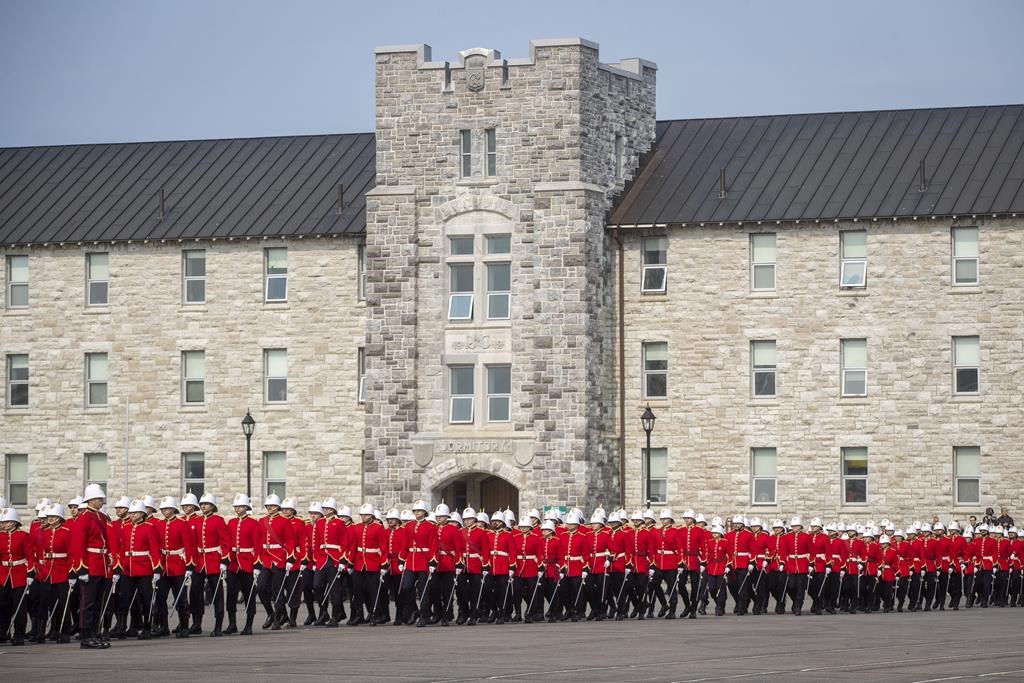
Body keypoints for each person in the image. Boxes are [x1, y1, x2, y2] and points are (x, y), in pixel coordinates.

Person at [70, 484, 113, 649]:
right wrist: (81, 568)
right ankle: (86, 636)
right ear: (91, 500)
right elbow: (78, 545)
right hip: (90, 564)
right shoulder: (84, 518)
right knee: (87, 603)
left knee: (98, 603)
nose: (102, 501)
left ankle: (95, 633)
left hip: (101, 563)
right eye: (99, 499)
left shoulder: (101, 517)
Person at [189, 493, 229, 637]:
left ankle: (218, 625)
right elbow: (192, 543)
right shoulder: (196, 521)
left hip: (214, 560)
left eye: (206, 504)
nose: (203, 506)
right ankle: (196, 623)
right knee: (195, 592)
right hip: (200, 561)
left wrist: (224, 561)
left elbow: (226, 542)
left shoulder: (218, 520)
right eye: (202, 504)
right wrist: (191, 562)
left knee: (217, 594)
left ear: (212, 506)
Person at [225, 494, 261, 635]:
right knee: (231, 594)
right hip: (234, 563)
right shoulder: (231, 523)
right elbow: (228, 542)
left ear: (246, 507)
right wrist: (225, 560)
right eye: (236, 506)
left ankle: (248, 625)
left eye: (240, 506)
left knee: (248, 594)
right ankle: (232, 623)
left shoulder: (253, 523)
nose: (238, 509)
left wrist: (257, 565)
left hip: (247, 562)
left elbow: (257, 545)